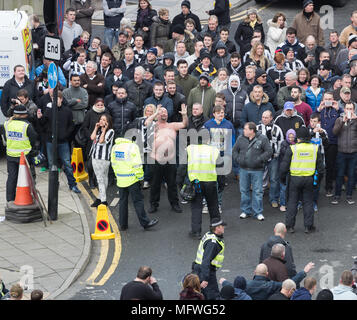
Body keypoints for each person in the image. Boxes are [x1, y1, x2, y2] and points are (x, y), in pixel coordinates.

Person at [280, 126, 324, 233]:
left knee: (292, 202)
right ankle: (308, 226)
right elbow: (321, 169)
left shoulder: (293, 148)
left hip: (294, 179)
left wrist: (283, 180)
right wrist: (317, 181)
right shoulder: (315, 148)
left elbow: (283, 167)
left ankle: (290, 226)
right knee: (308, 203)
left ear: (298, 138)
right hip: (309, 179)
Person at [146, 105, 188, 214]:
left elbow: (184, 124)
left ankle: (175, 204)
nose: (163, 113)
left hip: (170, 160)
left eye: (165, 112)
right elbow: (147, 122)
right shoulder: (154, 126)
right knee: (155, 184)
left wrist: (184, 115)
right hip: (156, 160)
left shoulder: (172, 126)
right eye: (161, 112)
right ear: (157, 115)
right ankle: (153, 204)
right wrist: (155, 113)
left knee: (172, 184)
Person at [111, 137, 159, 231]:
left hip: (121, 179)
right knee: (138, 201)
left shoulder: (115, 147)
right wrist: (140, 178)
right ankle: (145, 223)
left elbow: (113, 163)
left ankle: (123, 225)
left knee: (123, 201)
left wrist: (118, 175)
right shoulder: (133, 146)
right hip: (132, 179)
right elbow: (137, 165)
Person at [38, 91, 81, 194]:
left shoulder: (67, 111)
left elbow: (71, 126)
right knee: (52, 164)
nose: (54, 101)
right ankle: (54, 185)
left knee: (67, 164)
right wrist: (40, 118)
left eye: (56, 98)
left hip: (63, 141)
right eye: (53, 99)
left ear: (61, 99)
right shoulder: (48, 111)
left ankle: (72, 184)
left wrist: (65, 135)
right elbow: (43, 125)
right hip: (50, 141)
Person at [233, 122, 273, 221]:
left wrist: (259, 159)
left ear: (252, 131)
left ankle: (258, 212)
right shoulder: (240, 138)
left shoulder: (263, 139)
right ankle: (245, 211)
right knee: (244, 191)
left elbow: (269, 151)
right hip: (243, 169)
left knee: (258, 191)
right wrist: (239, 160)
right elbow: (234, 151)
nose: (243, 131)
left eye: (246, 129)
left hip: (257, 170)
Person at [186, 139, 221, 239]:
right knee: (213, 206)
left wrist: (181, 182)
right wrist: (221, 184)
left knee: (196, 207)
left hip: (196, 183)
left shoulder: (190, 149)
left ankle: (196, 232)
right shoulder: (214, 150)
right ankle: (216, 231)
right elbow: (220, 167)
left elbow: (183, 167)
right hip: (211, 182)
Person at [4, 105, 38, 202]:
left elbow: (7, 138)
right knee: (27, 178)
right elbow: (33, 139)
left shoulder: (7, 123)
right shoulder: (26, 125)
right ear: (24, 114)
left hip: (11, 155)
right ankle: (29, 198)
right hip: (24, 157)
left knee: (11, 178)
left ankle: (10, 200)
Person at [193, 218, 226, 300]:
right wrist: (205, 278)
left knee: (202, 294)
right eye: (222, 226)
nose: (224, 227)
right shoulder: (212, 243)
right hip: (206, 271)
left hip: (200, 269)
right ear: (217, 228)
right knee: (213, 295)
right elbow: (206, 261)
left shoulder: (209, 234)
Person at [331, 102, 357, 205]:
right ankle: (337, 196)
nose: (349, 110)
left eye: (351, 109)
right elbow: (334, 132)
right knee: (340, 175)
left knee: (351, 175)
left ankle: (349, 195)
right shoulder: (339, 119)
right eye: (347, 108)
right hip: (341, 152)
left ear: (354, 110)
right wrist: (343, 121)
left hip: (353, 152)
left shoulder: (356, 120)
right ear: (344, 109)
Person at [317, 92, 342, 197]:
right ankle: (316, 188)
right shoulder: (320, 110)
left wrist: (338, 109)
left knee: (330, 166)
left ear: (333, 99)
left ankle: (328, 187)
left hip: (332, 141)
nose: (328, 101)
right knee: (319, 166)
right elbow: (313, 119)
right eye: (326, 99)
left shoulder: (336, 110)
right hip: (320, 142)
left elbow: (345, 117)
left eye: (330, 99)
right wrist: (319, 108)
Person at [257, 110, 284, 208]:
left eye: (266, 117)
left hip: (273, 158)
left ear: (271, 118)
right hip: (261, 158)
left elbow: (281, 142)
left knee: (273, 179)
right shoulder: (257, 128)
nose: (264, 119)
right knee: (259, 178)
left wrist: (277, 153)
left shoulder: (277, 129)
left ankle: (273, 199)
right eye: (263, 117)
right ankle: (258, 198)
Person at [245, 262, 314, 300]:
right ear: (267, 273)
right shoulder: (271, 285)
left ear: (255, 272)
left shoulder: (246, 285)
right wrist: (304, 272)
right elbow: (289, 283)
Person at [89, 114, 114, 207]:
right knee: (103, 178)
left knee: (100, 179)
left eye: (104, 120)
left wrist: (104, 130)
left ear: (108, 122)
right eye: (101, 119)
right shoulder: (98, 130)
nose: (102, 121)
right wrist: (96, 128)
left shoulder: (111, 131)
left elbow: (101, 141)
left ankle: (103, 201)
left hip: (103, 158)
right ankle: (100, 198)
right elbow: (92, 137)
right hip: (95, 156)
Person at [308, 113, 329, 212]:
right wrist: (312, 132)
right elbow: (304, 140)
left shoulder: (323, 131)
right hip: (307, 161)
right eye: (311, 121)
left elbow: (327, 145)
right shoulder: (306, 130)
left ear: (319, 122)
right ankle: (304, 201)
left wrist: (322, 134)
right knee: (306, 183)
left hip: (319, 160)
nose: (312, 123)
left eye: (314, 121)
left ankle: (314, 202)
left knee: (316, 184)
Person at [63, 74, 89, 144]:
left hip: (80, 122)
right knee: (67, 143)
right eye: (75, 80)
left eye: (78, 80)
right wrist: (74, 100)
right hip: (68, 122)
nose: (77, 82)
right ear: (71, 81)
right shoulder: (65, 92)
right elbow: (65, 104)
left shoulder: (84, 91)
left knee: (79, 143)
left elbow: (84, 104)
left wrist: (70, 104)